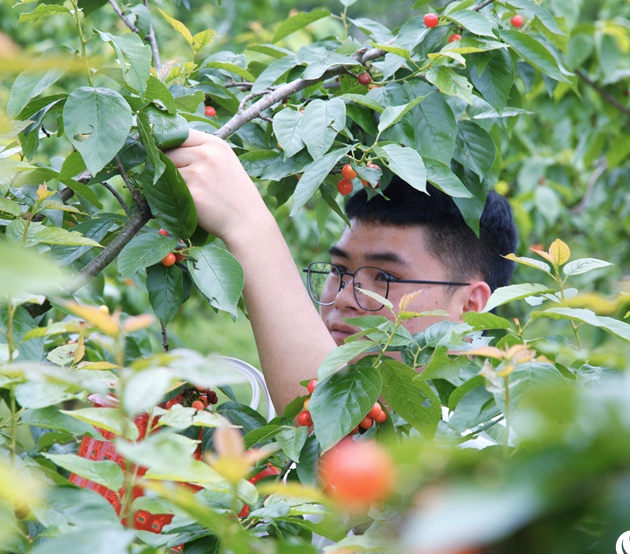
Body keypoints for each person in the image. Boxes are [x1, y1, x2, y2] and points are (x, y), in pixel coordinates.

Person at [165, 130, 517, 412]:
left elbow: (335, 435)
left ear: (470, 307)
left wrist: (249, 226)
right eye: (339, 270)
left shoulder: (482, 443)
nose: (345, 297)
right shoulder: (269, 427)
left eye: (386, 278)